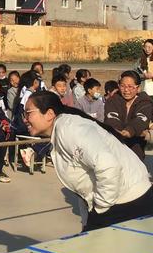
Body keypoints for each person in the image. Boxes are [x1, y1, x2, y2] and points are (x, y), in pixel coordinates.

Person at [24, 90, 153, 231]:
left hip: (127, 200)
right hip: (123, 198)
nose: (25, 119)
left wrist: (101, 206)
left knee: (93, 249)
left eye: (28, 113)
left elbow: (108, 165)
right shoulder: (63, 127)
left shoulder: (69, 128)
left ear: (49, 114)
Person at [104, 71, 152, 160]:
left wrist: (130, 130)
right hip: (114, 144)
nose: (126, 90)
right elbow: (111, 118)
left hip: (136, 148)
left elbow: (141, 119)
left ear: (138, 88)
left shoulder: (145, 102)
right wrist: (117, 131)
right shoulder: (112, 100)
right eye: (122, 86)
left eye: (130, 87)